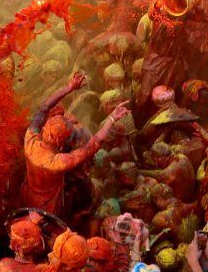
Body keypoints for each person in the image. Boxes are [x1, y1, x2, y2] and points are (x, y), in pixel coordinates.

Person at [22, 72, 130, 216]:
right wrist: (112, 118)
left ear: (44, 128)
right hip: (47, 205)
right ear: (61, 142)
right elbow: (93, 145)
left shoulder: (30, 139)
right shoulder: (57, 162)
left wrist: (69, 87)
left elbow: (43, 108)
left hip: (27, 194)